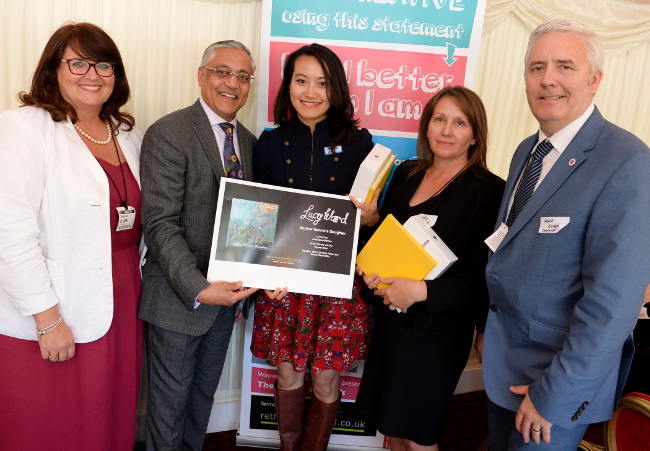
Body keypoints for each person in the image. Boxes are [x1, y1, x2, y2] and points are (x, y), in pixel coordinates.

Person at [482, 19, 650, 450]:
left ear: (595, 80)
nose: (548, 79)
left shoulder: (627, 161)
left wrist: (554, 395)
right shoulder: (527, 150)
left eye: (565, 66)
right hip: (505, 366)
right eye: (536, 67)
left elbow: (612, 304)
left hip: (553, 389)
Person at [0, 23, 143, 450]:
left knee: (108, 414)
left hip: (123, 295)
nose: (92, 75)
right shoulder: (24, 128)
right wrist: (47, 320)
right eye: (78, 63)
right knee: (50, 422)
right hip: (55, 305)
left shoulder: (126, 133)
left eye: (103, 65)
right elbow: (10, 233)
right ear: (53, 69)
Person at [353, 86, 504, 450]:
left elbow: (485, 277)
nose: (447, 131)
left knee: (419, 432)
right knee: (392, 426)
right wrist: (371, 237)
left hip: (439, 330)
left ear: (475, 135)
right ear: (427, 125)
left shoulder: (490, 191)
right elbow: (387, 237)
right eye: (439, 119)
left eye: (459, 123)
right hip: (392, 320)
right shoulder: (407, 173)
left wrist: (421, 291)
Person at [251, 43, 373, 451]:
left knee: (325, 377)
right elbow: (258, 218)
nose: (310, 92)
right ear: (288, 86)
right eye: (301, 81)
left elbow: (369, 218)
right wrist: (260, 276)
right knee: (287, 374)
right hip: (283, 281)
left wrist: (370, 216)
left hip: (337, 284)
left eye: (322, 83)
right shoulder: (270, 143)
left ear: (335, 88)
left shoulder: (359, 143)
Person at [139, 40, 258, 450]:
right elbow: (160, 223)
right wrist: (199, 288)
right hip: (179, 298)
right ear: (201, 75)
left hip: (226, 304)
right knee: (167, 410)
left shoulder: (250, 143)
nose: (233, 84)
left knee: (200, 404)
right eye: (223, 72)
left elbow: (251, 224)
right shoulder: (170, 132)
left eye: (243, 76)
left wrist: (244, 286)